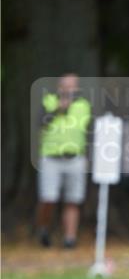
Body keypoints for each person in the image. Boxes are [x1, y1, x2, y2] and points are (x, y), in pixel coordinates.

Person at [36, 73, 92, 248]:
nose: (69, 89)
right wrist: (58, 109)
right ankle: (44, 229)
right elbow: (40, 122)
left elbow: (90, 131)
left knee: (73, 200)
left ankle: (70, 239)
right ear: (59, 87)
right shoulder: (48, 101)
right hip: (51, 158)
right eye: (66, 86)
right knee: (48, 198)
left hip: (75, 158)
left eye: (72, 86)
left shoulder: (84, 105)